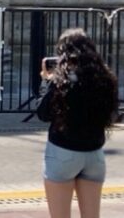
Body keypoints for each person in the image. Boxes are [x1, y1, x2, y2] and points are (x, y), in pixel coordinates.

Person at [37, 28, 119, 218]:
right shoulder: (105, 78)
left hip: (63, 152)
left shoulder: (61, 79)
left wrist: (45, 82)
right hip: (94, 153)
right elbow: (112, 114)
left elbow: (43, 113)